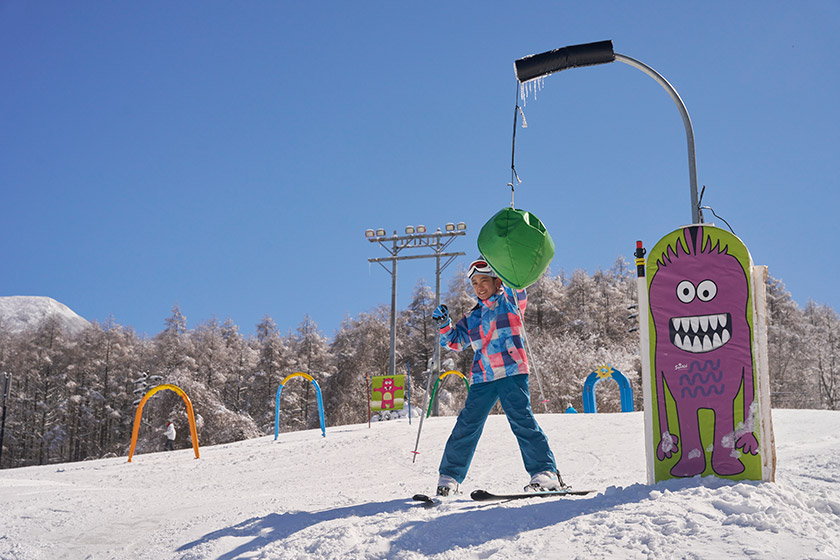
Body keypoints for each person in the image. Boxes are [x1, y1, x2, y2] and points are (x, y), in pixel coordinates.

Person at [431, 257, 564, 496]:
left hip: (512, 371)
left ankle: (545, 473)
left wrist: (506, 262)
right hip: (483, 377)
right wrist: (444, 324)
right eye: (474, 283)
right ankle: (449, 478)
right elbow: (454, 341)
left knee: (521, 420)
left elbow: (519, 288)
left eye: (484, 280)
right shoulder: (473, 316)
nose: (480, 287)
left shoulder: (510, 303)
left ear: (496, 281)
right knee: (467, 425)